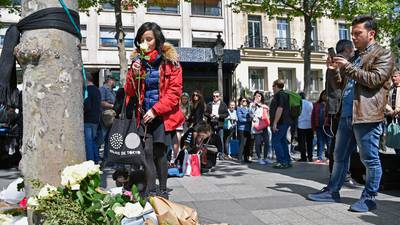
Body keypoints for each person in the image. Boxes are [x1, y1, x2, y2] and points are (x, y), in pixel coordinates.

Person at [307, 15, 394, 212]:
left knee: (369, 159)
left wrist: (347, 67)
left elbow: (374, 79)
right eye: (352, 33)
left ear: (371, 34)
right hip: (347, 114)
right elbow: (340, 86)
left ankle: (369, 197)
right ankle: (332, 191)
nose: (353, 37)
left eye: (358, 33)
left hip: (367, 115)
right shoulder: (354, 57)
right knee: (338, 156)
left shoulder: (383, 54)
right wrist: (334, 70)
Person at [124, 22, 185, 198]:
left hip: (162, 115)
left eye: (149, 39)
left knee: (159, 153)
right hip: (142, 115)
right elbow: (129, 91)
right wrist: (133, 74)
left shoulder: (171, 63)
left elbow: (174, 94)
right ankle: (151, 191)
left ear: (157, 40)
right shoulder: (137, 61)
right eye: (142, 39)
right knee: (146, 153)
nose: (145, 43)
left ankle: (163, 190)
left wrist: (156, 110)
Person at [326, 39, 355, 173]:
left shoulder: (339, 62)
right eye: (352, 48)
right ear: (348, 49)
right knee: (340, 143)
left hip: (337, 108)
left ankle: (339, 171)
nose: (354, 51)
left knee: (339, 142)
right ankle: (340, 172)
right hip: (340, 109)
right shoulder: (340, 63)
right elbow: (338, 83)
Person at [270, 79, 292, 169]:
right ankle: (287, 160)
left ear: (276, 86)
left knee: (275, 141)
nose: (272, 88)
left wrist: (275, 123)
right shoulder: (285, 94)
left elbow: (280, 108)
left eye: (273, 86)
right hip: (285, 121)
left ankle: (281, 161)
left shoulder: (279, 95)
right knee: (283, 141)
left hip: (280, 122)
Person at [205, 90, 228, 160]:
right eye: (214, 96)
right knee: (209, 138)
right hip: (211, 123)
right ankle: (208, 153)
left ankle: (221, 154)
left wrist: (219, 116)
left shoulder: (223, 104)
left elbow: (226, 114)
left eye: (217, 96)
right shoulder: (209, 104)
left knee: (220, 139)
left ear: (220, 97)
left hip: (219, 123)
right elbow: (205, 113)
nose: (215, 97)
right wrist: (210, 115)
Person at [84, 73, 102, 164]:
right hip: (96, 119)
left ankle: (91, 162)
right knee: (94, 141)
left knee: (89, 142)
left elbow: (87, 106)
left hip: (88, 119)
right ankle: (96, 160)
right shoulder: (97, 90)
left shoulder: (87, 90)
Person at [99, 74, 117, 164]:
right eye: (114, 81)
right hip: (105, 117)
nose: (115, 83)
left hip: (111, 117)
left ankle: (108, 159)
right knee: (103, 138)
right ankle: (101, 159)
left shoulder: (112, 91)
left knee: (109, 139)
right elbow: (101, 102)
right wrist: (113, 106)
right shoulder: (103, 89)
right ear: (110, 80)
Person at [250, 91, 270, 165]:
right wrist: (254, 105)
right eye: (256, 96)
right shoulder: (252, 104)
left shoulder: (264, 105)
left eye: (259, 96)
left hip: (264, 126)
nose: (258, 97)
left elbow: (267, 115)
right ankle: (259, 158)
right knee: (258, 143)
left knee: (267, 142)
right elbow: (251, 114)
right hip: (257, 126)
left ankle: (265, 157)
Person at [311, 90, 331, 163]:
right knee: (320, 142)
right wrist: (313, 127)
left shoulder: (330, 104)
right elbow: (313, 116)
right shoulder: (316, 104)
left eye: (326, 95)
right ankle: (319, 157)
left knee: (329, 142)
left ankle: (329, 157)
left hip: (328, 126)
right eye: (323, 95)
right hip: (319, 126)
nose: (324, 96)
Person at [385, 69, 400, 155]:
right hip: (391, 117)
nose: (393, 78)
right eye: (392, 77)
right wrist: (390, 110)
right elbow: (385, 101)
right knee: (394, 139)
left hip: (399, 116)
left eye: (395, 76)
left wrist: (397, 110)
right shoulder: (389, 88)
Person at [173, 92, 191, 161]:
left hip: (185, 125)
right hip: (178, 125)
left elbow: (188, 115)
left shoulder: (188, 106)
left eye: (186, 99)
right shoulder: (178, 106)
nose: (184, 100)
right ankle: (175, 157)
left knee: (184, 142)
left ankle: (182, 157)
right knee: (177, 141)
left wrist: (186, 117)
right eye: (183, 98)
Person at [297, 92, 314, 162]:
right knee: (310, 142)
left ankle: (303, 157)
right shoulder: (310, 103)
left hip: (301, 125)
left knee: (302, 142)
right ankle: (310, 157)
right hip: (310, 125)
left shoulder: (298, 103)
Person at [236, 97, 252, 163]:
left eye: (246, 101)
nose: (245, 102)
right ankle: (239, 158)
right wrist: (248, 119)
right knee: (242, 143)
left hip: (248, 128)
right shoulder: (239, 109)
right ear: (240, 102)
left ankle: (246, 158)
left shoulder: (249, 109)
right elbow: (240, 119)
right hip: (242, 128)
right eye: (243, 101)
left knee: (247, 144)